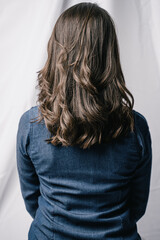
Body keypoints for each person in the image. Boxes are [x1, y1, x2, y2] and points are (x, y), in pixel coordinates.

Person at [16, 2, 152, 240]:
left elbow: (32, 201)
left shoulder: (31, 124)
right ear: (109, 56)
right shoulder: (134, 127)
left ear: (57, 52)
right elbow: (137, 206)